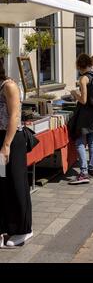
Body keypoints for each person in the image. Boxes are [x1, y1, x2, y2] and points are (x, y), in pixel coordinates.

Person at [0, 58, 33, 247]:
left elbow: (14, 115)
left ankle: (24, 229)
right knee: (2, 183)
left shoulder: (9, 85)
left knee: (16, 183)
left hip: (12, 140)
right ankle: (5, 228)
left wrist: (6, 145)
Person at [69, 54, 93, 184]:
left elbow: (83, 100)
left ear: (79, 66)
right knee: (92, 141)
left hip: (85, 115)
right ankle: (92, 168)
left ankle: (83, 173)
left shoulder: (83, 79)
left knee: (79, 141)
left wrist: (74, 94)